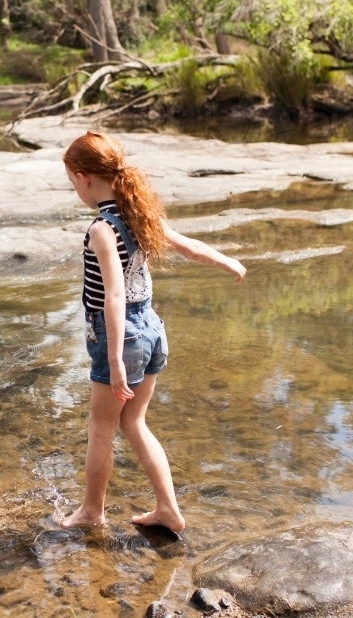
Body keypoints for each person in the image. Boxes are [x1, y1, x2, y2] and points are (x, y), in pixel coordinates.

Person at [60, 131, 246, 533]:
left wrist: (113, 359)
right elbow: (190, 247)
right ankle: (167, 509)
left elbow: (112, 296)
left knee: (100, 428)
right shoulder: (139, 214)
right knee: (134, 423)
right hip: (151, 330)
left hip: (120, 337)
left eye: (72, 182)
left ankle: (92, 512)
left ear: (83, 178)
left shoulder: (101, 229)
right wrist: (227, 260)